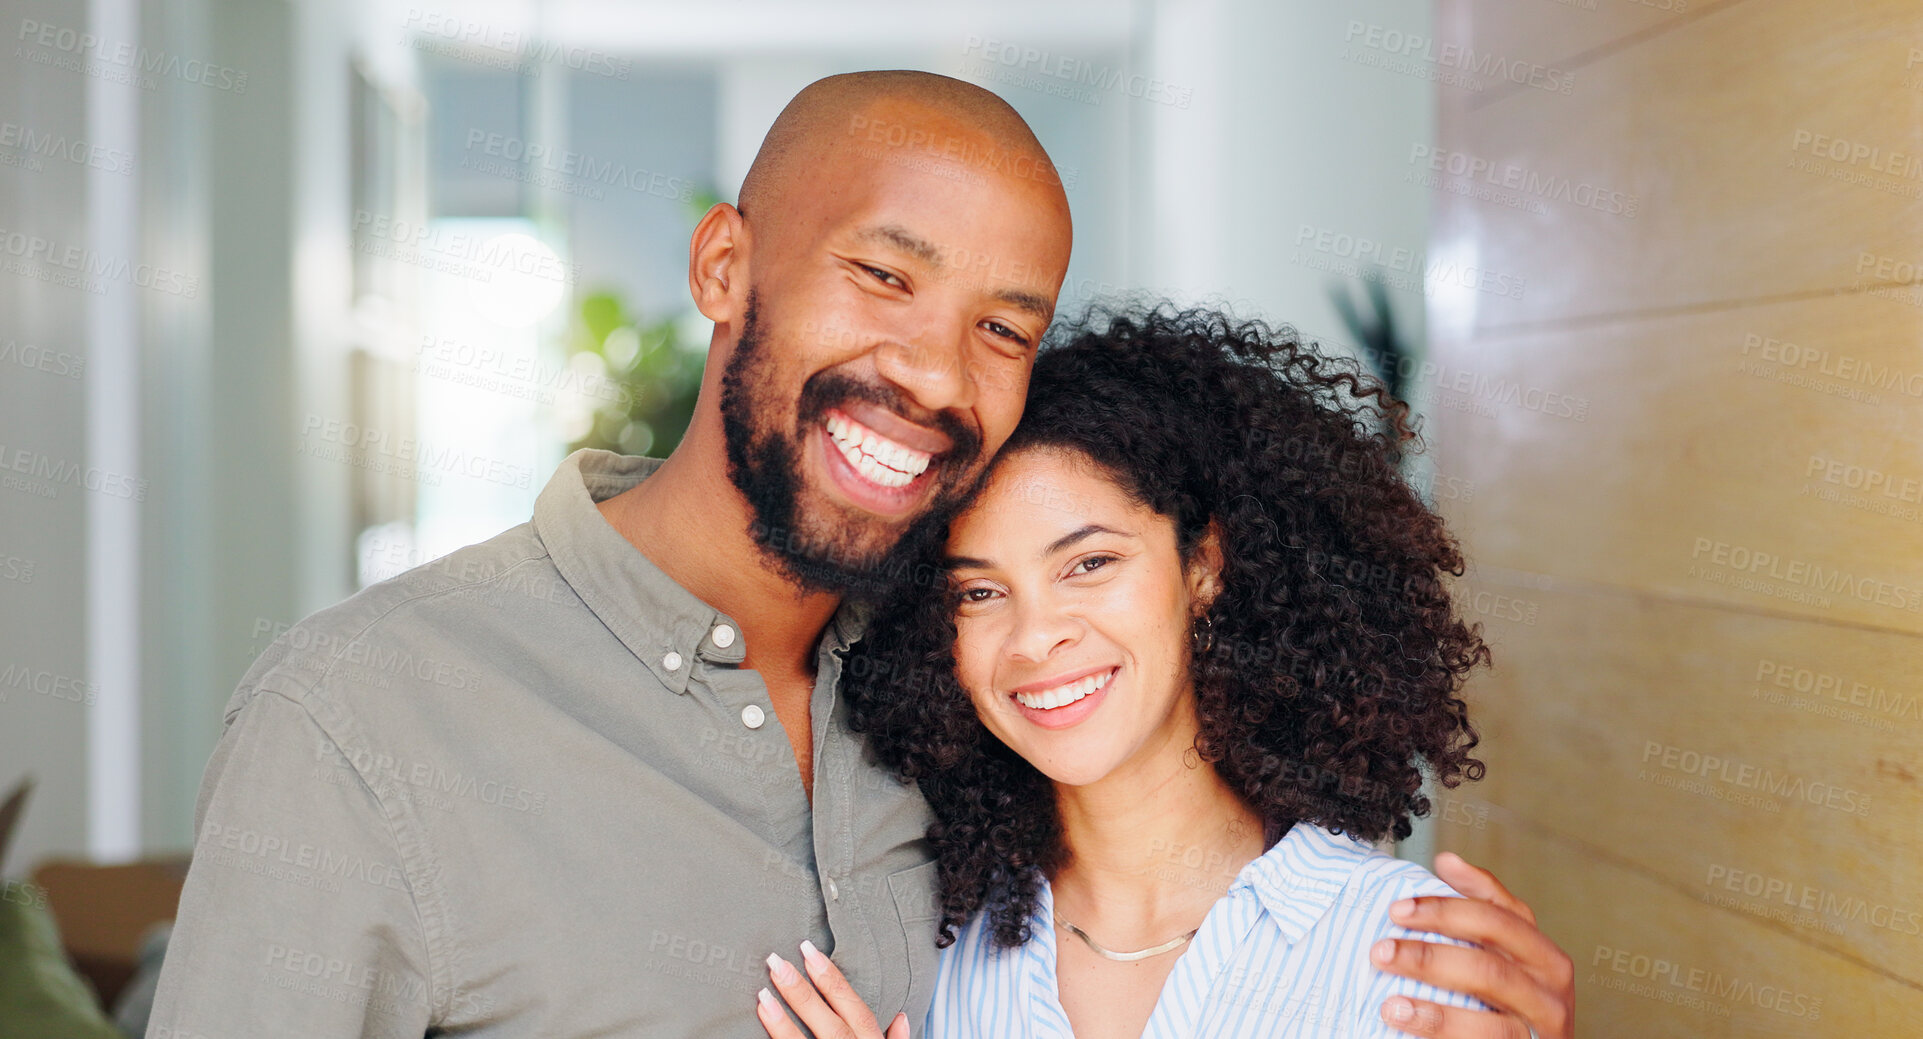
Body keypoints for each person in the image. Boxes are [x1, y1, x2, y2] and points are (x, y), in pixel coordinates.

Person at [147, 72, 1572, 1038]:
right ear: (721, 269)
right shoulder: (361, 715)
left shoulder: (942, 710)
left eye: (1001, 327)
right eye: (883, 276)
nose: (931, 372)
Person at [751, 305, 1571, 1038]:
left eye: (1090, 562)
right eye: (980, 590)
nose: (1034, 638)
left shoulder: (1411, 960)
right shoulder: (927, 955)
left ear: (1203, 565)